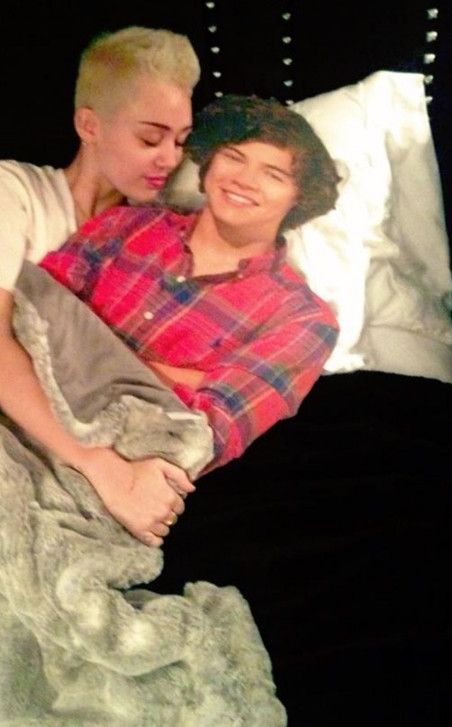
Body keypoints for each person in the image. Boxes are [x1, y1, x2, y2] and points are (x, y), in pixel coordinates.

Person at [0, 25, 201, 543]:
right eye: (150, 138)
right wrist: (103, 468)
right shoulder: (11, 189)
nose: (169, 158)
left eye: (181, 141)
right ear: (89, 125)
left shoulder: (158, 233)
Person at [40, 94, 341, 505]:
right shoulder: (123, 226)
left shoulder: (302, 321)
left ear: (298, 198)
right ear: (208, 163)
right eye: (233, 157)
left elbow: (202, 432)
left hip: (111, 482)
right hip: (15, 406)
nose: (244, 180)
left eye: (273, 174)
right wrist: (179, 377)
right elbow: (28, 315)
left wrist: (81, 348)